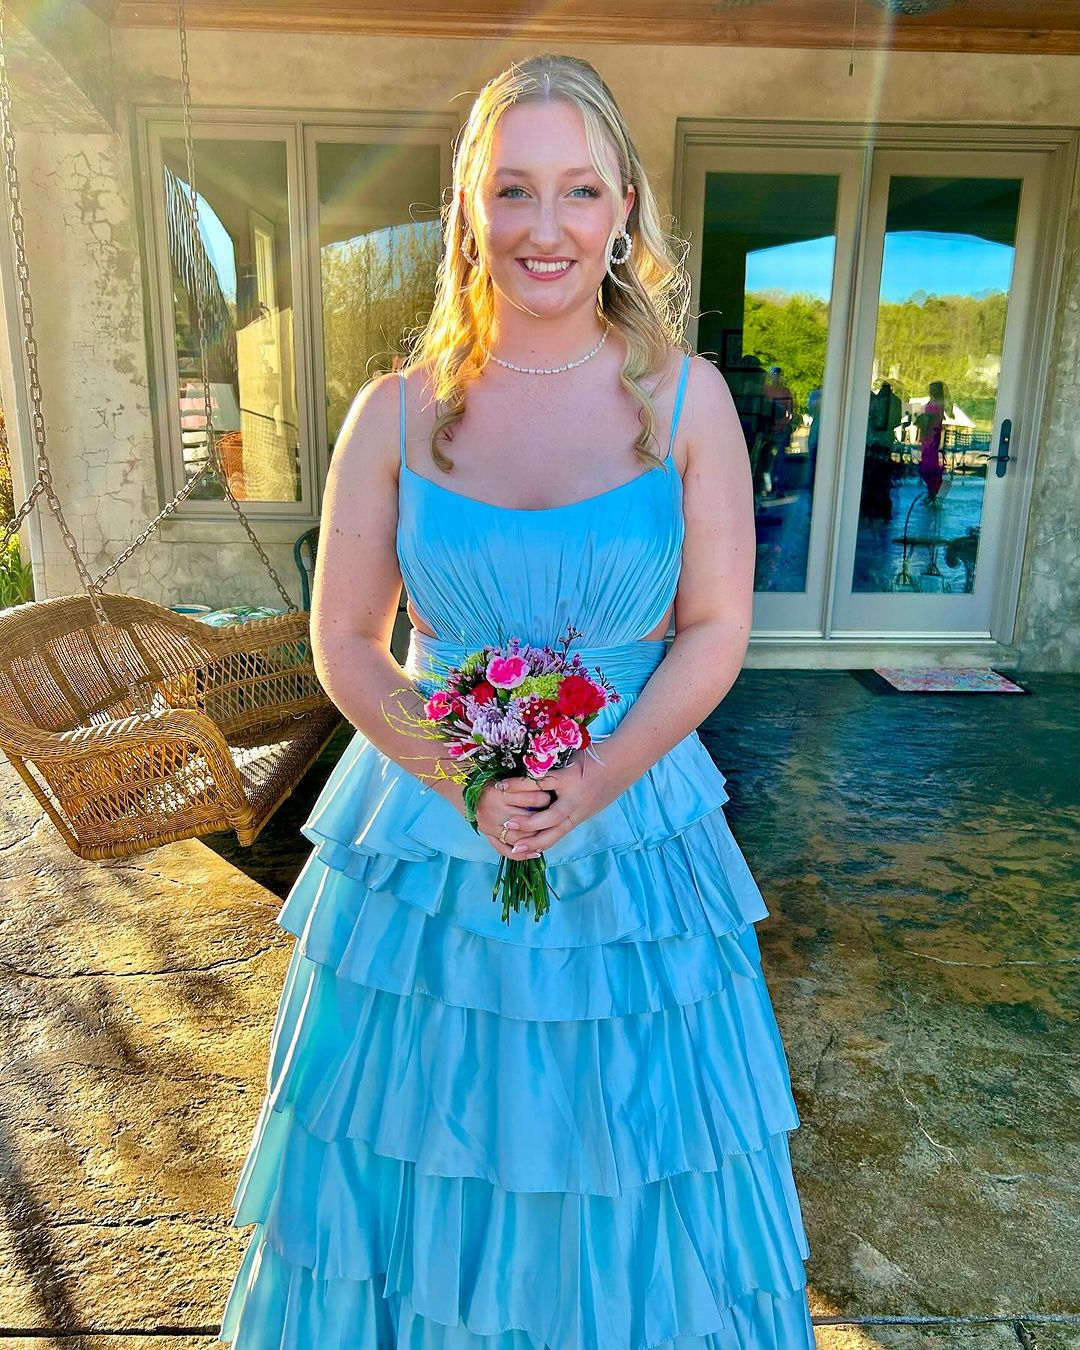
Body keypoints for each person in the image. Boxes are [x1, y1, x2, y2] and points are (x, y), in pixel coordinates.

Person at [217, 54, 816, 1349]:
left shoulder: (688, 401)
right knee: (414, 1156)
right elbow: (347, 642)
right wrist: (464, 777)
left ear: (624, 209)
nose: (547, 227)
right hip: (427, 850)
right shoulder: (392, 414)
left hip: (636, 837)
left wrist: (593, 780)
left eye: (580, 190)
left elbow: (715, 629)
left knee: (626, 1166)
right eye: (514, 189)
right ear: (467, 207)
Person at [916, 378, 948, 503]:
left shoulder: (938, 403)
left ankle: (933, 491)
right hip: (928, 435)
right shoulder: (935, 402)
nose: (930, 391)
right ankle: (932, 491)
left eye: (933, 389)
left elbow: (934, 419)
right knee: (927, 462)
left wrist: (923, 420)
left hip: (932, 435)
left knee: (929, 464)